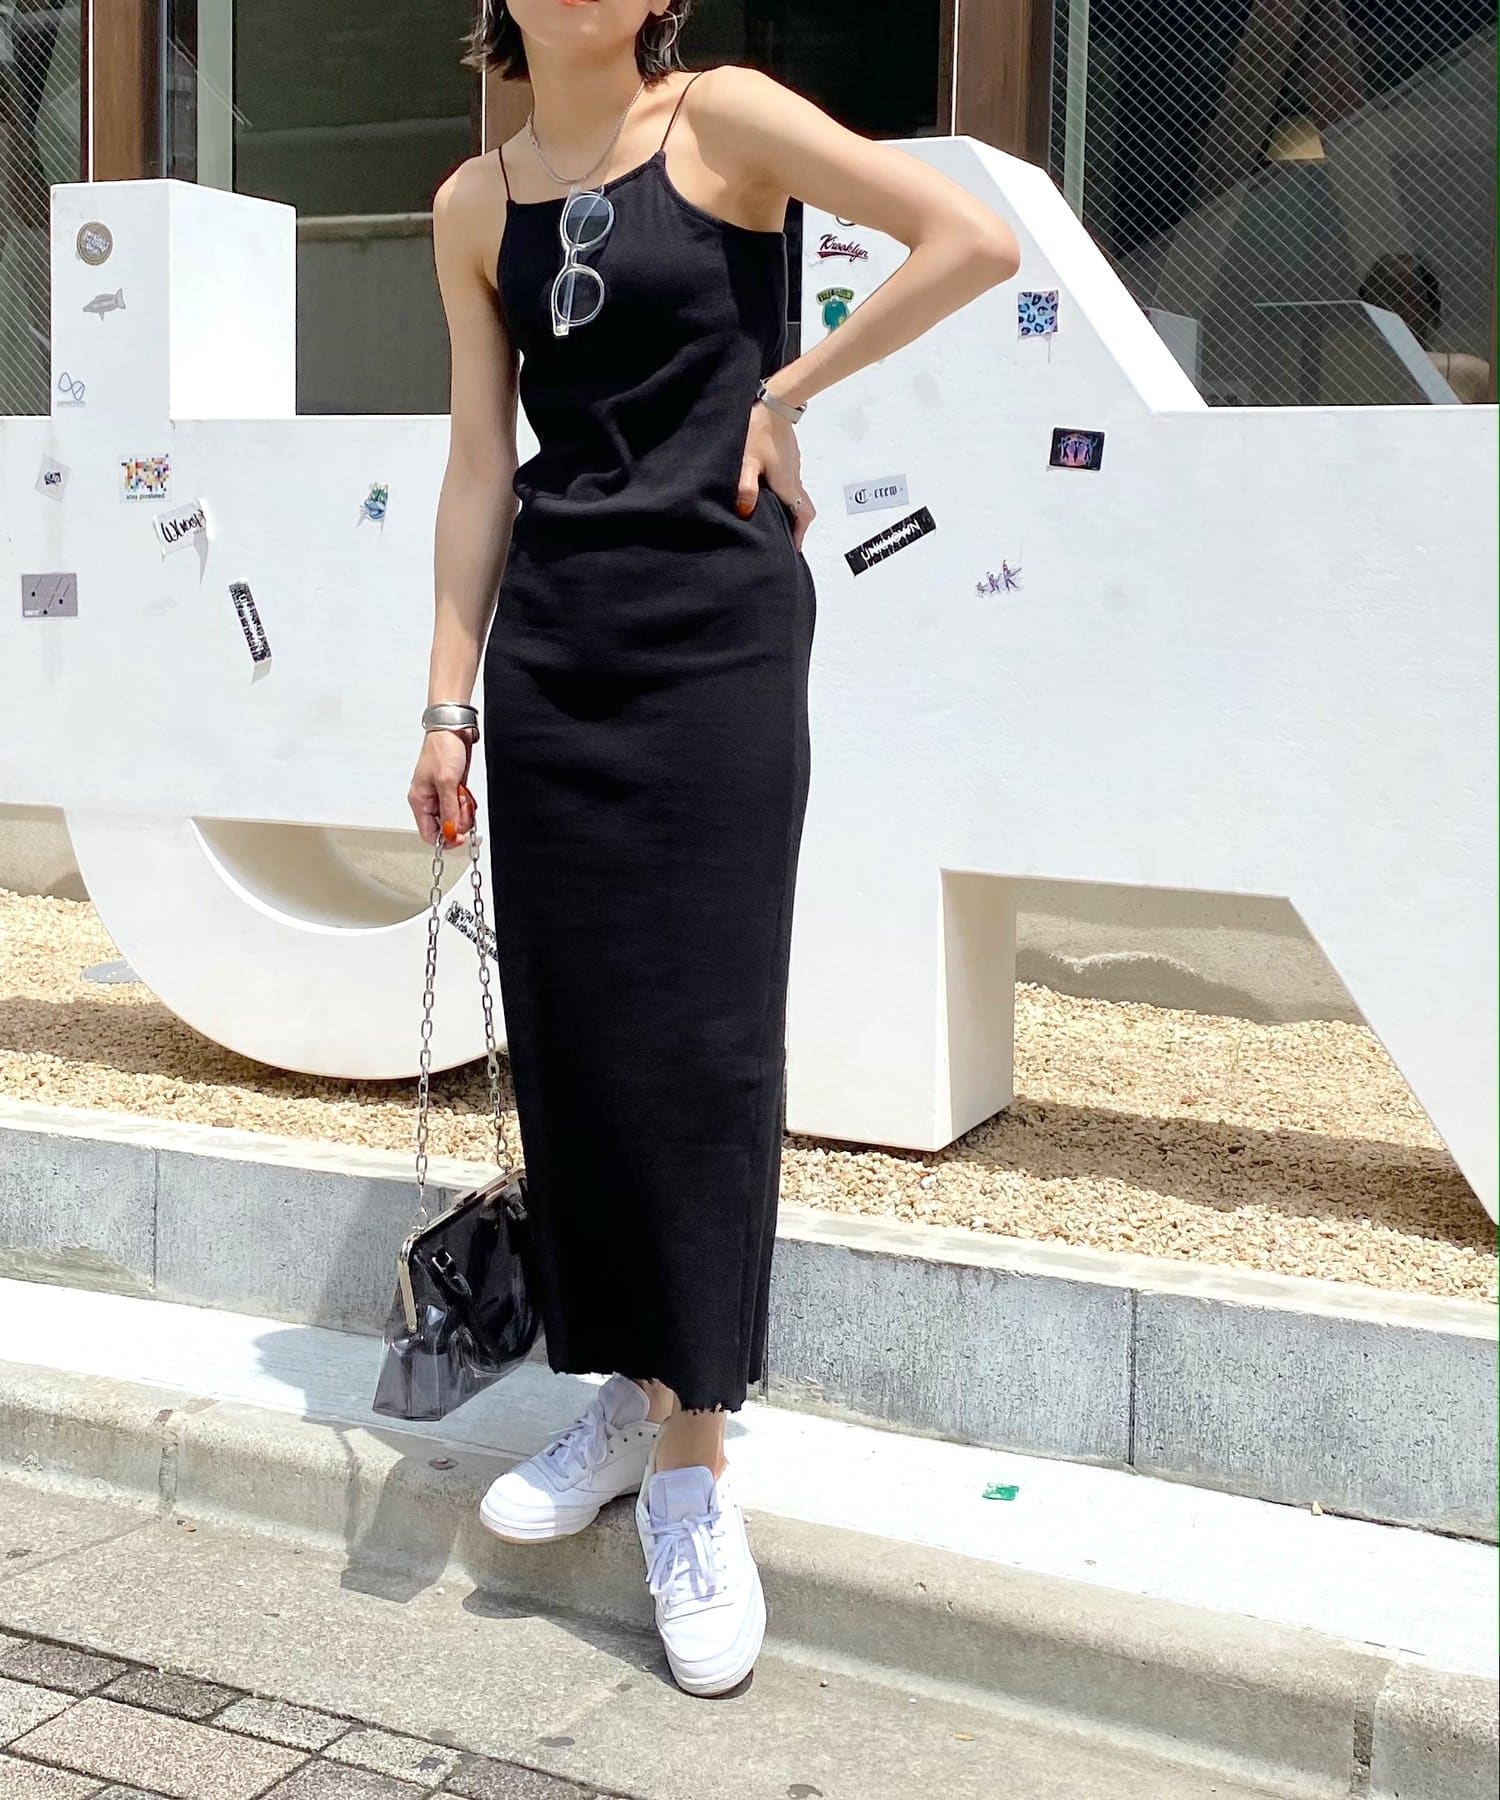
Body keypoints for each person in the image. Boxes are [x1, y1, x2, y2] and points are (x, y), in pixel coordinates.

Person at [408, 0, 1019, 1698]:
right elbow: (480, 464)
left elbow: (971, 238)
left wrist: (788, 385)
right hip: (554, 646)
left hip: (716, 636)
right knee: (582, 1034)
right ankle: (627, 1389)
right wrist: (447, 703)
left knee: (703, 1037)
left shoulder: (723, 118)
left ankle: (694, 1466)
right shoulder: (473, 202)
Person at [1357, 253, 1491, 404]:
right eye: (1384, 299)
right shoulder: (1354, 375)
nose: (1392, 309)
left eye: (1408, 298)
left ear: (1428, 305)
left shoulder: (1469, 372)